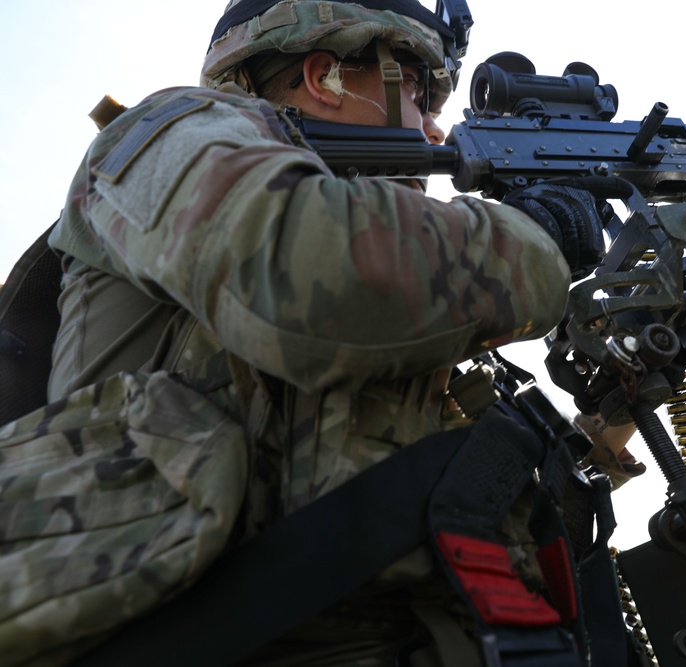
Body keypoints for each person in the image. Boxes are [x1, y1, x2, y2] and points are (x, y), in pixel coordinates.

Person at [7, 0, 643, 664]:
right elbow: (302, 271)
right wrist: (537, 237)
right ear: (324, 77)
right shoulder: (166, 134)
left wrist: (616, 409)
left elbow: (460, 498)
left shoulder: (399, 311)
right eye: (422, 92)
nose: (434, 130)